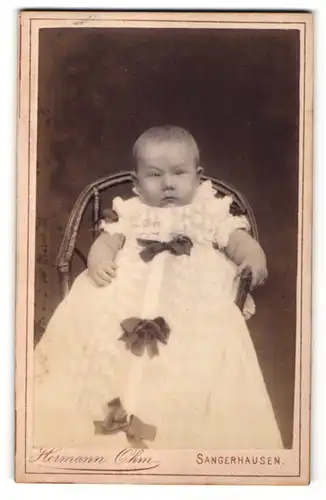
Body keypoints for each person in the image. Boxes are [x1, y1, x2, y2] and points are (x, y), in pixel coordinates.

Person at [34, 125, 283, 449]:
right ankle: (108, 417)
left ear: (197, 175)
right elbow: (105, 243)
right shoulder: (132, 212)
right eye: (154, 175)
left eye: (179, 173)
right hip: (130, 293)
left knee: (196, 345)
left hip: (192, 298)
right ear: (136, 183)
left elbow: (242, 244)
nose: (168, 183)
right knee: (104, 330)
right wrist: (99, 261)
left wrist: (254, 261)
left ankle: (175, 427)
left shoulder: (210, 210)